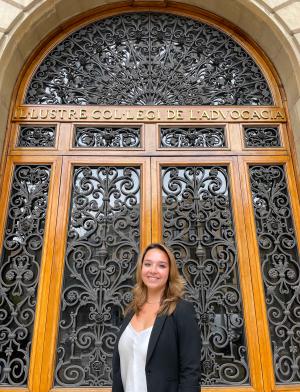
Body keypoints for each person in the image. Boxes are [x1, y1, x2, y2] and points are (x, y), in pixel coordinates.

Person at [112, 242, 201, 392]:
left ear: (170, 272)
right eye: (148, 264)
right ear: (141, 269)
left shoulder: (182, 310)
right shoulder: (131, 311)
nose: (153, 270)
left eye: (161, 266)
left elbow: (190, 372)